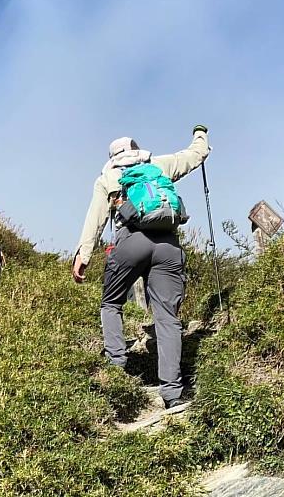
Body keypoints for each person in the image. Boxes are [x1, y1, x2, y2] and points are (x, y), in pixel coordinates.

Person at [72, 125, 210, 408]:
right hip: (168, 247)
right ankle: (172, 394)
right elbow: (197, 155)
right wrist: (200, 134)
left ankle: (116, 366)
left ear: (112, 156)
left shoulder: (108, 176)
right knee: (168, 318)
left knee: (111, 304)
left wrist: (83, 254)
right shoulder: (158, 165)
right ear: (137, 149)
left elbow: (95, 218)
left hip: (130, 244)